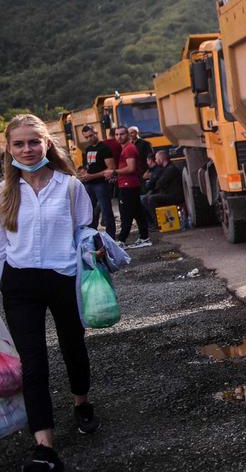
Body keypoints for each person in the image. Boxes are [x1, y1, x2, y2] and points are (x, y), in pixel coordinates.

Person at [1, 114, 101, 472]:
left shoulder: (71, 187)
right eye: (19, 144)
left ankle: (81, 402)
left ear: (47, 144)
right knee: (33, 363)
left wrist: (95, 252)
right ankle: (45, 446)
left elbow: (83, 231)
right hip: (20, 285)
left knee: (73, 346)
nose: (27, 150)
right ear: (9, 148)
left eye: (33, 142)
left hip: (63, 278)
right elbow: (1, 245)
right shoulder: (4, 192)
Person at [110, 126, 151, 249]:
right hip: (128, 184)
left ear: (128, 135)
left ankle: (122, 240)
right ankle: (144, 237)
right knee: (138, 212)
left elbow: (131, 168)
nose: (119, 137)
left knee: (126, 214)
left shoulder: (129, 149)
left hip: (128, 185)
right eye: (116, 134)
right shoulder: (126, 148)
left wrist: (114, 172)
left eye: (122, 134)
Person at [74, 124, 116, 241]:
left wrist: (92, 176)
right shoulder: (87, 149)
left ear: (96, 133)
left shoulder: (104, 148)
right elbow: (90, 167)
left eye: (91, 136)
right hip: (89, 184)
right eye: (86, 137)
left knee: (106, 210)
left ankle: (111, 237)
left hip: (101, 184)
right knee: (89, 211)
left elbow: (111, 169)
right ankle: (92, 236)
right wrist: (83, 174)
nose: (89, 139)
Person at [142, 149, 183, 232]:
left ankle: (158, 224)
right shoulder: (166, 168)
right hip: (168, 193)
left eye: (156, 159)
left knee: (151, 199)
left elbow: (160, 183)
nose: (156, 161)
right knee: (147, 198)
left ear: (161, 159)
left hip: (174, 196)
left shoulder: (170, 169)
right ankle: (153, 223)